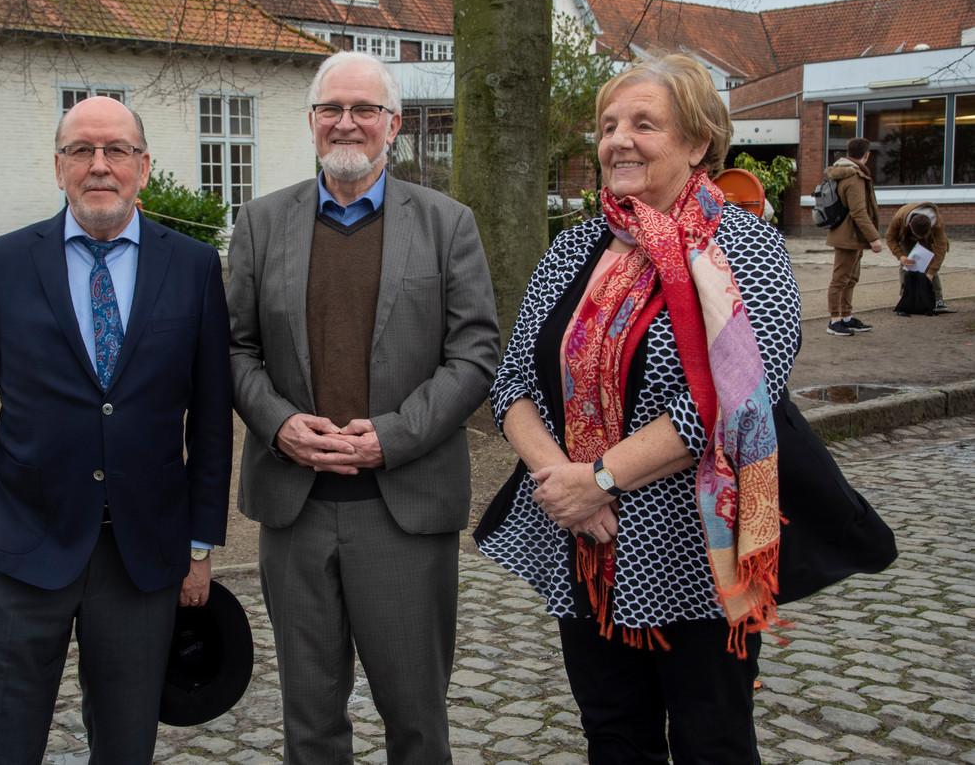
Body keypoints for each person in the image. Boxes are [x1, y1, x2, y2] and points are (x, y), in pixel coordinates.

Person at [476, 54, 801, 764]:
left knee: (711, 741)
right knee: (614, 738)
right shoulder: (571, 250)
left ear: (696, 143)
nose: (618, 140)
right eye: (608, 125)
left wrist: (599, 478)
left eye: (644, 124)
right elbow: (512, 384)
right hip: (586, 545)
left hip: (695, 550)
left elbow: (739, 395)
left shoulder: (745, 247)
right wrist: (566, 485)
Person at [0, 96, 233, 765]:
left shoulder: (191, 268)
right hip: (20, 544)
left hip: (144, 558)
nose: (99, 166)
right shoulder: (5, 263)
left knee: (126, 747)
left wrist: (198, 542)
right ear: (58, 167)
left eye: (116, 151)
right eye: (81, 151)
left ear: (144, 166)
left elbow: (212, 419)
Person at [227, 51, 500, 764]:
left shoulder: (448, 225)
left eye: (364, 110)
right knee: (310, 724)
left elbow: (474, 355)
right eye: (331, 110)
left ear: (394, 124)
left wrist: (393, 436)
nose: (347, 123)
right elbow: (234, 350)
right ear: (312, 122)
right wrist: (278, 423)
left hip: (402, 507)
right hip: (296, 508)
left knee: (415, 718)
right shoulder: (259, 225)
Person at [825, 137, 883, 336]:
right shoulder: (854, 177)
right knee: (841, 279)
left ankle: (846, 317)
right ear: (867, 155)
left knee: (850, 278)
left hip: (850, 235)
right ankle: (835, 321)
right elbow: (859, 211)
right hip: (848, 236)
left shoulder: (844, 173)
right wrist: (874, 237)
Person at [886, 202, 949, 311]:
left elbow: (940, 249)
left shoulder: (937, 224)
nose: (919, 238)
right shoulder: (899, 217)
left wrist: (930, 273)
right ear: (910, 225)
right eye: (917, 236)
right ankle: (905, 297)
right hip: (906, 238)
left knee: (930, 264)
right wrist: (900, 256)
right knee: (907, 264)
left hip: (928, 238)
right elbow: (890, 237)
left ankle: (938, 299)